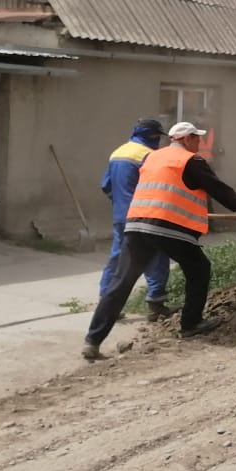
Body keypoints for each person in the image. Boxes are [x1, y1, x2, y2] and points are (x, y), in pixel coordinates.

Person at [81, 121, 236, 359]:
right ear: (185, 139)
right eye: (196, 139)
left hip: (136, 225)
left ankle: (92, 341)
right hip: (166, 226)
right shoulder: (191, 161)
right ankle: (191, 323)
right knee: (199, 267)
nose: (199, 144)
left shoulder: (153, 158)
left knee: (120, 283)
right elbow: (218, 189)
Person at [99, 117, 174, 321]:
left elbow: (105, 185)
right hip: (145, 216)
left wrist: (121, 204)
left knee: (117, 257)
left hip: (121, 216)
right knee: (157, 254)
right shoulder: (150, 156)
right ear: (153, 136)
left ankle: (107, 302)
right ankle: (156, 301)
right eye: (158, 137)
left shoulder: (118, 152)